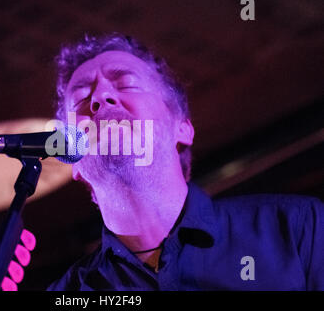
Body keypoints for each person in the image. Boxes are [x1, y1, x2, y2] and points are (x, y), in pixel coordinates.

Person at [47, 33, 324, 290]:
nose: (99, 97)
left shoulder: (296, 229)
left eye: (126, 83)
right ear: (73, 162)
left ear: (182, 128)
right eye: (81, 98)